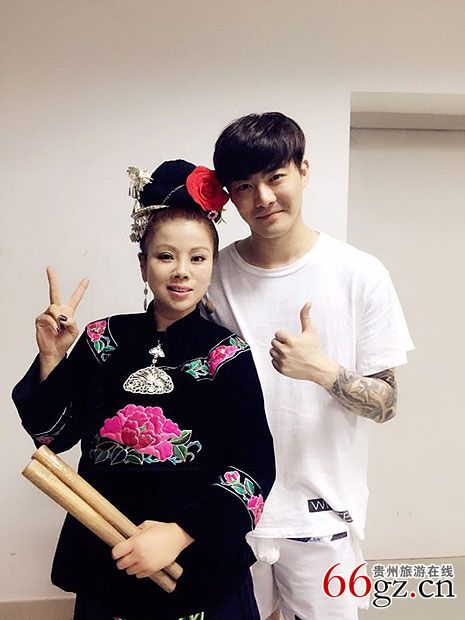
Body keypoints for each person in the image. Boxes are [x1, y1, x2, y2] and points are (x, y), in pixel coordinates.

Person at [12, 159, 276, 620]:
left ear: (213, 266)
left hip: (197, 559)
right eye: (165, 256)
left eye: (198, 258)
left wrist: (180, 533)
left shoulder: (226, 353)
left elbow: (255, 462)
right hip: (108, 552)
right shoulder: (103, 338)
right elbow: (52, 436)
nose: (182, 271)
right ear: (143, 265)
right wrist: (52, 357)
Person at [209, 112, 414, 620]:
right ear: (230, 196)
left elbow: (387, 404)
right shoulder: (213, 275)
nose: (263, 198)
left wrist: (324, 371)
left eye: (276, 177)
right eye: (244, 186)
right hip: (233, 507)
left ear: (304, 170)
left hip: (325, 514)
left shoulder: (360, 273)